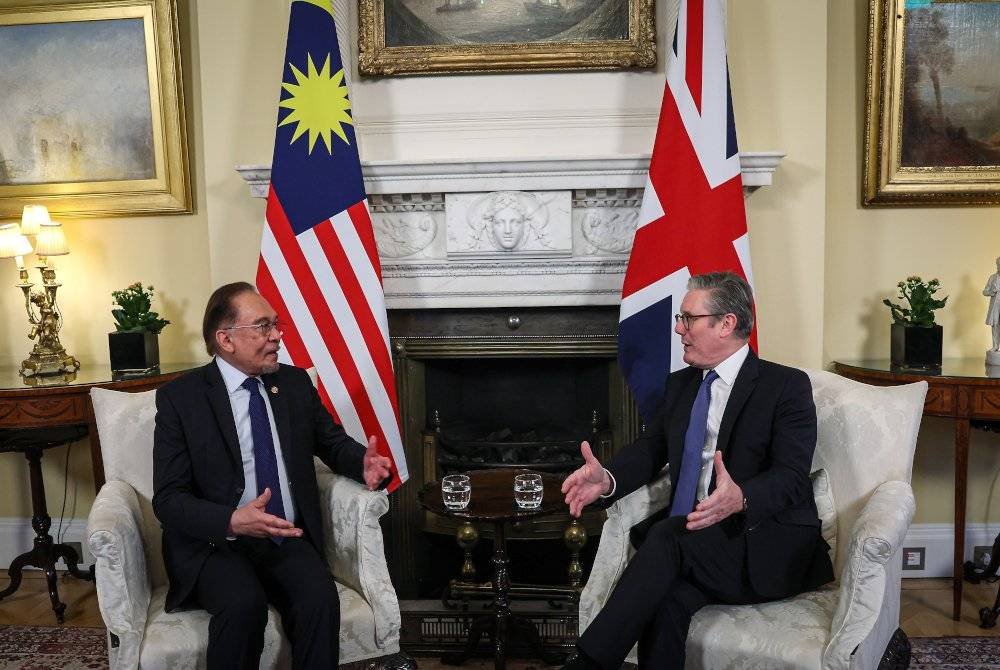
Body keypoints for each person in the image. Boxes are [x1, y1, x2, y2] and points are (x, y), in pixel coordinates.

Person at [560, 272, 834, 669]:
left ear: (727, 324)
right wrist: (609, 478)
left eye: (689, 318)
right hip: (699, 544)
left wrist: (740, 497)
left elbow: (792, 477)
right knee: (665, 598)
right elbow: (652, 448)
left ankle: (588, 663)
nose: (678, 328)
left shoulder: (785, 386)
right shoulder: (681, 386)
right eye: (680, 318)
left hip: (765, 543)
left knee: (666, 536)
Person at [152, 282, 393, 669]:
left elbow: (329, 442)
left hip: (283, 534)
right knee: (243, 605)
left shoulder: (294, 383)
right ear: (225, 339)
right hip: (216, 543)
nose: (277, 335)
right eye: (263, 327)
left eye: (275, 325)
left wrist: (360, 462)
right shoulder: (182, 399)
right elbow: (168, 500)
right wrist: (232, 520)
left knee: (318, 598)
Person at [985, 256, 1000, 353]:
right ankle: (995, 346)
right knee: (995, 325)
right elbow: (985, 291)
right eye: (998, 265)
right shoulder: (993, 277)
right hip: (996, 305)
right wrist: (991, 292)